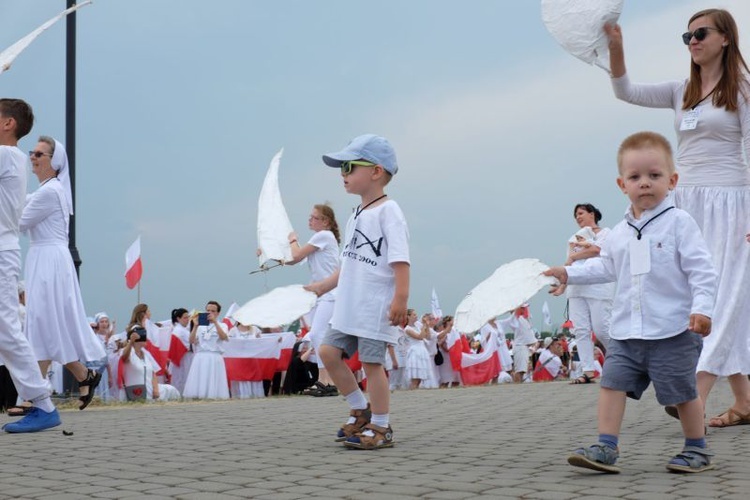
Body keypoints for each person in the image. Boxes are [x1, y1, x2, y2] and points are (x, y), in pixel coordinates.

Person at [605, 9, 750, 428]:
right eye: (686, 35)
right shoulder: (681, 90)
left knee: (722, 295)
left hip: (731, 200)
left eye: (701, 33)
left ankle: (695, 395)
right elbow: (625, 91)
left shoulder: (741, 88)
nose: (692, 41)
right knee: (692, 294)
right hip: (684, 201)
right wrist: (616, 48)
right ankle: (744, 400)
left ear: (725, 38)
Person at [545, 131, 717, 473]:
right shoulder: (619, 233)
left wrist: (703, 309)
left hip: (673, 330)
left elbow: (702, 271)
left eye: (654, 176)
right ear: (622, 184)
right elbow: (605, 266)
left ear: (672, 180)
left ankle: (696, 448)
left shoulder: (680, 223)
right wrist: (567, 272)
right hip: (626, 332)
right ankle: (606, 446)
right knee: (611, 384)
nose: (645, 184)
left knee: (683, 392)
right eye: (635, 177)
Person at [308, 134, 409, 450]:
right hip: (349, 305)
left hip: (373, 305)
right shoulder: (355, 215)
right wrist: (324, 285)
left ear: (376, 172)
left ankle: (381, 425)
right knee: (327, 352)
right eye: (342, 168)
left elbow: (400, 260)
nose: (343, 174)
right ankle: (359, 408)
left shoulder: (388, 211)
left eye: (349, 167)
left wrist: (400, 299)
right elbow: (349, 263)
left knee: (372, 362)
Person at [21, 136, 105, 410]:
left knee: (42, 320)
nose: (32, 157)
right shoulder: (48, 189)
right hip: (44, 258)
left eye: (39, 154)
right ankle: (83, 375)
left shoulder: (50, 191)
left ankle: (32, 396)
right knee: (47, 323)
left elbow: (19, 221)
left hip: (49, 261)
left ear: (54, 162)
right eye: (32, 152)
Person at [0, 99, 60, 432]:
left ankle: (42, 402)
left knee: (6, 329)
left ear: (8, 123)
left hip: (2, 252)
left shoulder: (7, 156)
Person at [286, 203, 341, 397]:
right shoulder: (320, 239)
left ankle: (328, 381)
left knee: (318, 334)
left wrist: (293, 239)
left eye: (314, 217)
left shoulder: (323, 235)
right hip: (322, 295)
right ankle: (325, 380)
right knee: (320, 336)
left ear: (325, 221)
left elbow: (296, 253)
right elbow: (292, 260)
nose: (310, 220)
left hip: (330, 294)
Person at [560, 203, 614, 385]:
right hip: (576, 287)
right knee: (581, 330)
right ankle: (587, 371)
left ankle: (623, 362)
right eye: (575, 215)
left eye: (581, 213)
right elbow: (568, 264)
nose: (578, 217)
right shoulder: (574, 238)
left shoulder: (606, 233)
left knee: (601, 329)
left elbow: (596, 250)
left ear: (592, 214)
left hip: (598, 287)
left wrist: (575, 255)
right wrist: (561, 285)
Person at [183, 301, 230, 399]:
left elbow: (223, 337)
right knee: (201, 378)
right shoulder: (200, 326)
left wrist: (215, 322)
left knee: (213, 379)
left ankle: (213, 396)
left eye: (213, 311)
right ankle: (199, 396)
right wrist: (195, 326)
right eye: (208, 310)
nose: (210, 313)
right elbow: (191, 340)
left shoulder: (223, 325)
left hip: (214, 355)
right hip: (201, 356)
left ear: (218, 313)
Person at [120, 330, 180, 402]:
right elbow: (124, 357)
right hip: (136, 390)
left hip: (150, 389)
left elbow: (152, 373)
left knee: (171, 390)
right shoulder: (128, 352)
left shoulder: (145, 354)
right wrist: (131, 342)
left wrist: (155, 389)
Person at [403, 311, 431, 390]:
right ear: (408, 316)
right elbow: (420, 337)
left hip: (421, 350)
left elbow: (428, 337)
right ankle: (411, 393)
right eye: (414, 314)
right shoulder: (407, 329)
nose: (416, 316)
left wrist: (427, 326)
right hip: (415, 352)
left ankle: (415, 393)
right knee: (415, 379)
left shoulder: (418, 325)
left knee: (419, 379)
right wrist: (424, 326)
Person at [168, 308, 193, 395]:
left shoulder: (183, 329)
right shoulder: (178, 330)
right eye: (185, 318)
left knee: (184, 376)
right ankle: (180, 394)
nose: (187, 320)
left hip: (187, 356)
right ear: (178, 319)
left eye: (188, 317)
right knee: (181, 376)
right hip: (183, 357)